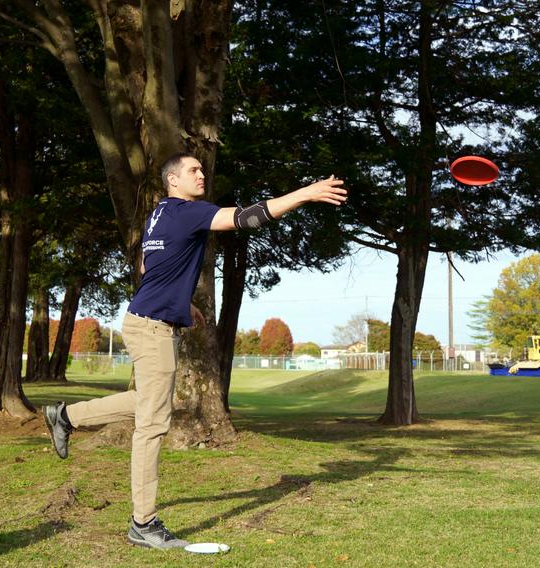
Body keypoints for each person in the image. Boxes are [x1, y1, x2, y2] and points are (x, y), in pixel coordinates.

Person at [43, 152, 346, 550]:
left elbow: (151, 267)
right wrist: (305, 193)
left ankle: (65, 416)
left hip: (145, 320)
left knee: (147, 402)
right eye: (193, 170)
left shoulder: (160, 216)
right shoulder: (188, 212)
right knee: (152, 425)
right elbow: (245, 219)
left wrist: (181, 303)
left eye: (202, 169)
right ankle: (143, 523)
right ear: (173, 181)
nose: (201, 175)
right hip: (152, 329)